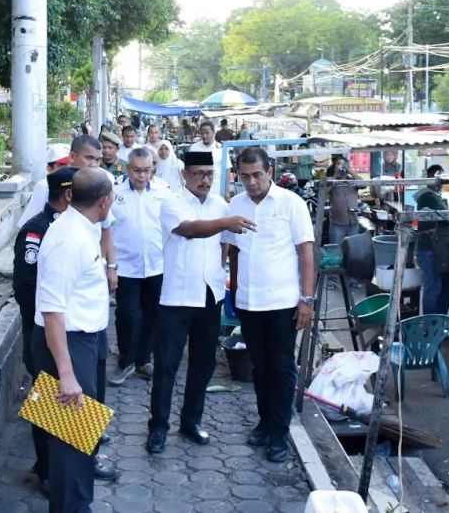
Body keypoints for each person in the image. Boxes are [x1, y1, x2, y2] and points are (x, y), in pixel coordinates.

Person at [146, 151, 256, 454]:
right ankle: (158, 428)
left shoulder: (221, 204)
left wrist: (221, 275)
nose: (204, 179)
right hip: (176, 296)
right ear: (185, 175)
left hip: (210, 295)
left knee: (203, 364)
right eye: (198, 173)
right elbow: (189, 230)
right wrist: (224, 222)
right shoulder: (172, 202)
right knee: (167, 365)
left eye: (209, 173)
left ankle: (191, 422)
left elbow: (225, 246)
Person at [33, 168, 116, 513]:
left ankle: (79, 505)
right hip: (66, 346)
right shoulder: (69, 239)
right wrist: (66, 374)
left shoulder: (84, 228)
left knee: (82, 439)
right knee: (69, 442)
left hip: (84, 341)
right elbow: (52, 312)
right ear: (105, 201)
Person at [225, 147, 315, 462]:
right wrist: (234, 289)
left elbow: (306, 253)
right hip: (249, 301)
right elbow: (234, 252)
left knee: (281, 367)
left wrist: (307, 299)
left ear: (269, 172)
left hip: (282, 303)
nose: (251, 182)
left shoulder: (292, 204)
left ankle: (279, 431)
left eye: (256, 175)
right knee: (259, 367)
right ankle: (265, 422)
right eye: (244, 176)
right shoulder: (235, 205)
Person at [12, 167, 77, 495]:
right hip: (42, 329)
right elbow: (26, 285)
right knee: (46, 400)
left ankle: (75, 464)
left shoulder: (73, 226)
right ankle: (46, 470)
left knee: (65, 399)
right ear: (68, 194)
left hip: (66, 329)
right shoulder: (38, 230)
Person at [109, 149, 173, 385]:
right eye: (137, 170)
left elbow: (172, 226)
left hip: (157, 265)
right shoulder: (115, 192)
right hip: (125, 267)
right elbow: (106, 230)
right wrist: (110, 266)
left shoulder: (163, 191)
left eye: (146, 170)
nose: (142, 175)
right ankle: (125, 361)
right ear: (128, 169)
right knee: (128, 315)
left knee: (152, 314)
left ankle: (143, 360)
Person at [414, 164, 449, 316]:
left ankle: (439, 321)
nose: (441, 182)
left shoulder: (434, 196)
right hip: (432, 250)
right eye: (437, 178)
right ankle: (431, 325)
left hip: (439, 250)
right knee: (434, 288)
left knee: (448, 284)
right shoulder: (428, 196)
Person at [17, 144, 72, 228]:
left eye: (71, 165)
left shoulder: (81, 182)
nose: (68, 169)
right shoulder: (44, 186)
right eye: (63, 166)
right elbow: (30, 220)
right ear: (49, 169)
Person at [325, 155, 361, 248]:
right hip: (337, 224)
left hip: (353, 223)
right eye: (339, 164)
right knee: (336, 251)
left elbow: (364, 184)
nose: (342, 166)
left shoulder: (353, 181)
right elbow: (324, 193)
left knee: (353, 252)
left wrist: (350, 171)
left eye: (344, 164)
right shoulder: (331, 180)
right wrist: (335, 176)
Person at [190, 121, 223, 195]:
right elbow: (190, 168)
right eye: (202, 133)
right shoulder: (194, 148)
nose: (204, 136)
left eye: (207, 133)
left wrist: (227, 190)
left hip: (216, 187)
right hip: (198, 186)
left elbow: (227, 169)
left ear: (213, 133)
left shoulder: (221, 148)